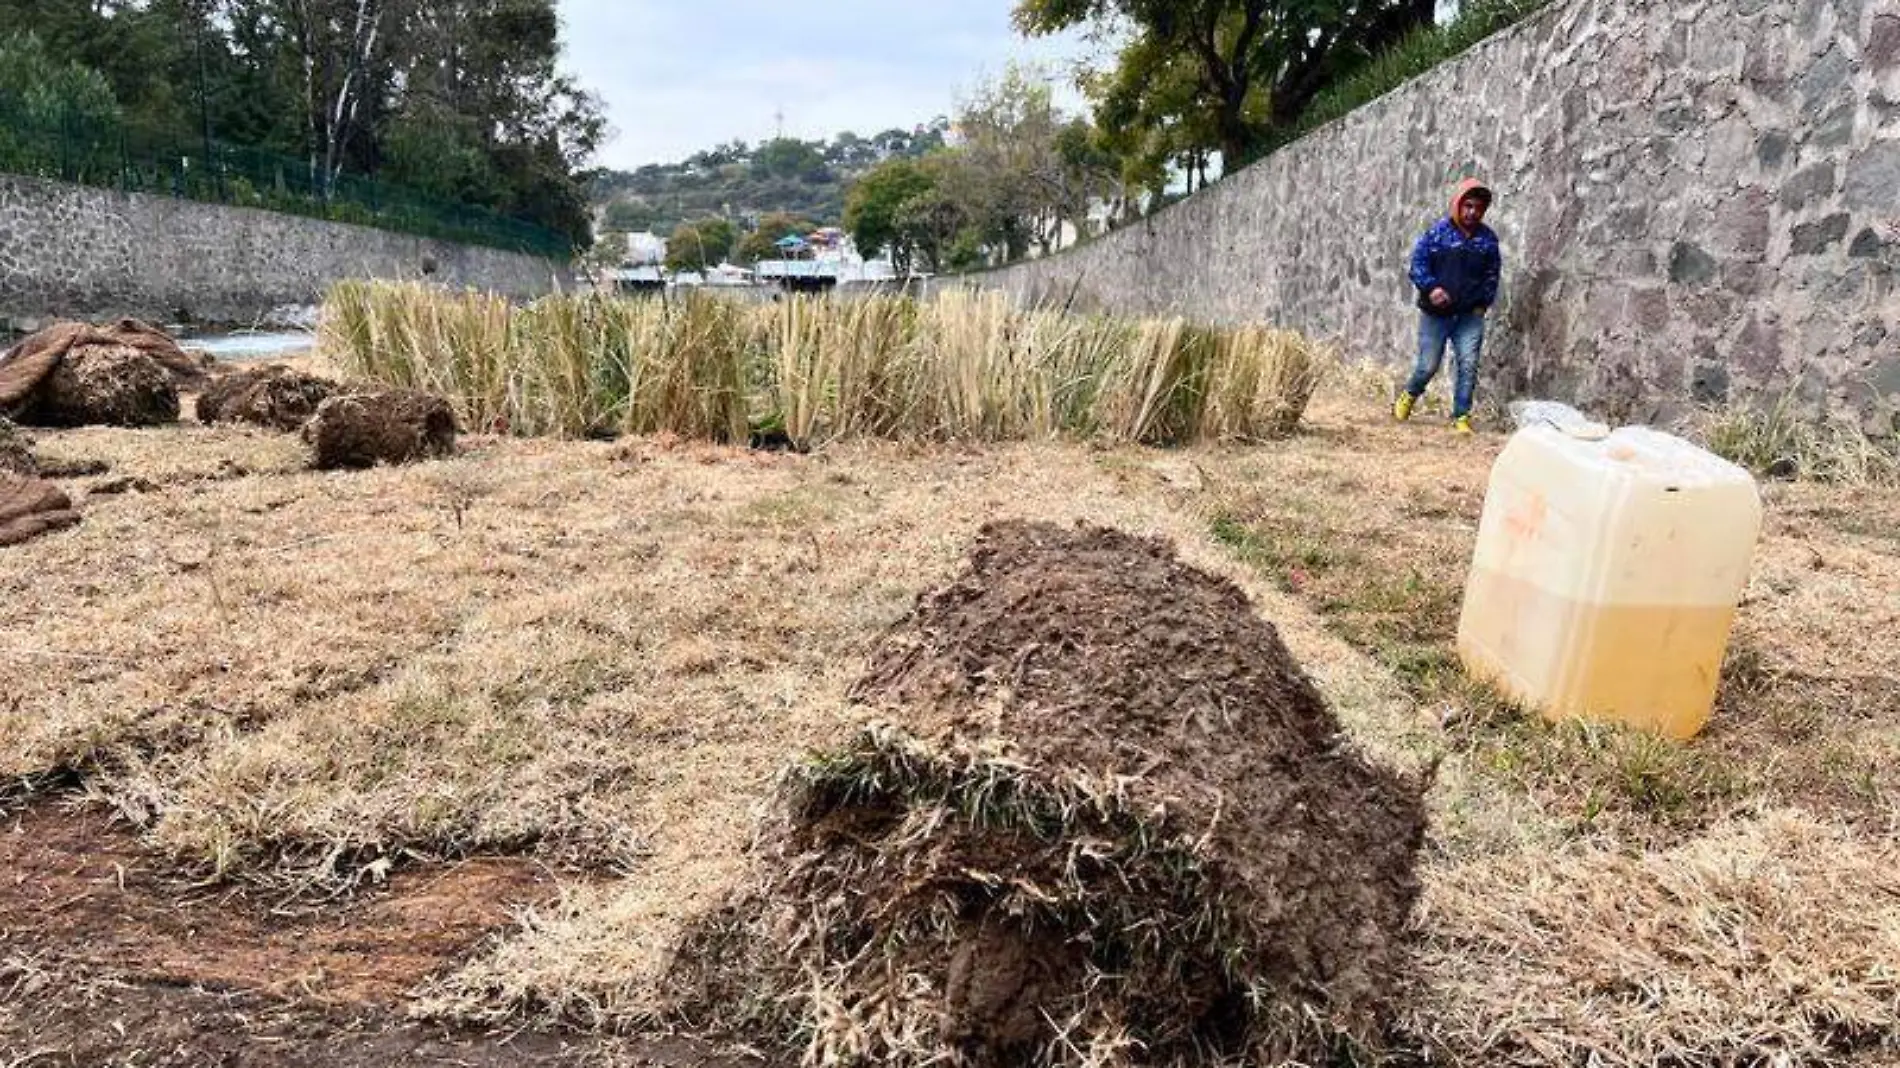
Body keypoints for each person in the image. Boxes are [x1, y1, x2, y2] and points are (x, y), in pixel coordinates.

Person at [1394, 178, 1501, 434]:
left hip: (1469, 316)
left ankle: (1461, 415)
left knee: (1468, 364)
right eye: (1468, 206)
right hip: (1436, 316)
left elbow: (1492, 274)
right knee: (1428, 365)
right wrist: (1431, 288)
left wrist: (1483, 304)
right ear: (1457, 205)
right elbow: (1417, 266)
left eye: (1478, 208)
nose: (1472, 212)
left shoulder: (1488, 240)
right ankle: (1409, 395)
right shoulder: (1437, 234)